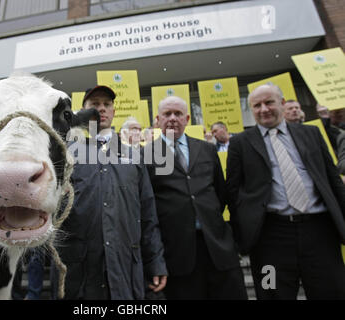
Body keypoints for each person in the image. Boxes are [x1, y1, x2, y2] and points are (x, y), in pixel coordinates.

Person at [226, 83, 345, 300]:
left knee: (332, 291)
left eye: (269, 102)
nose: (263, 109)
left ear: (281, 103)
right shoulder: (240, 143)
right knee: (271, 293)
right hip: (269, 238)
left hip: (320, 233)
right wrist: (242, 234)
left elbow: (333, 180)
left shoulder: (311, 133)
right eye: (257, 105)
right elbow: (233, 192)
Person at [50, 85, 168, 300]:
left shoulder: (134, 156)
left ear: (114, 111)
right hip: (80, 273)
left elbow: (148, 214)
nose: (101, 109)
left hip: (125, 269)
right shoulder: (66, 155)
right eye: (94, 104)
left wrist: (156, 262)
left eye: (107, 104)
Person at [145, 96, 247, 300]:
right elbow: (148, 204)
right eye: (167, 114)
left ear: (187, 118)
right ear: (157, 119)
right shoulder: (145, 154)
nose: (172, 118)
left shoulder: (207, 149)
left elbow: (221, 193)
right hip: (177, 251)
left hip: (218, 246)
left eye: (178, 114)